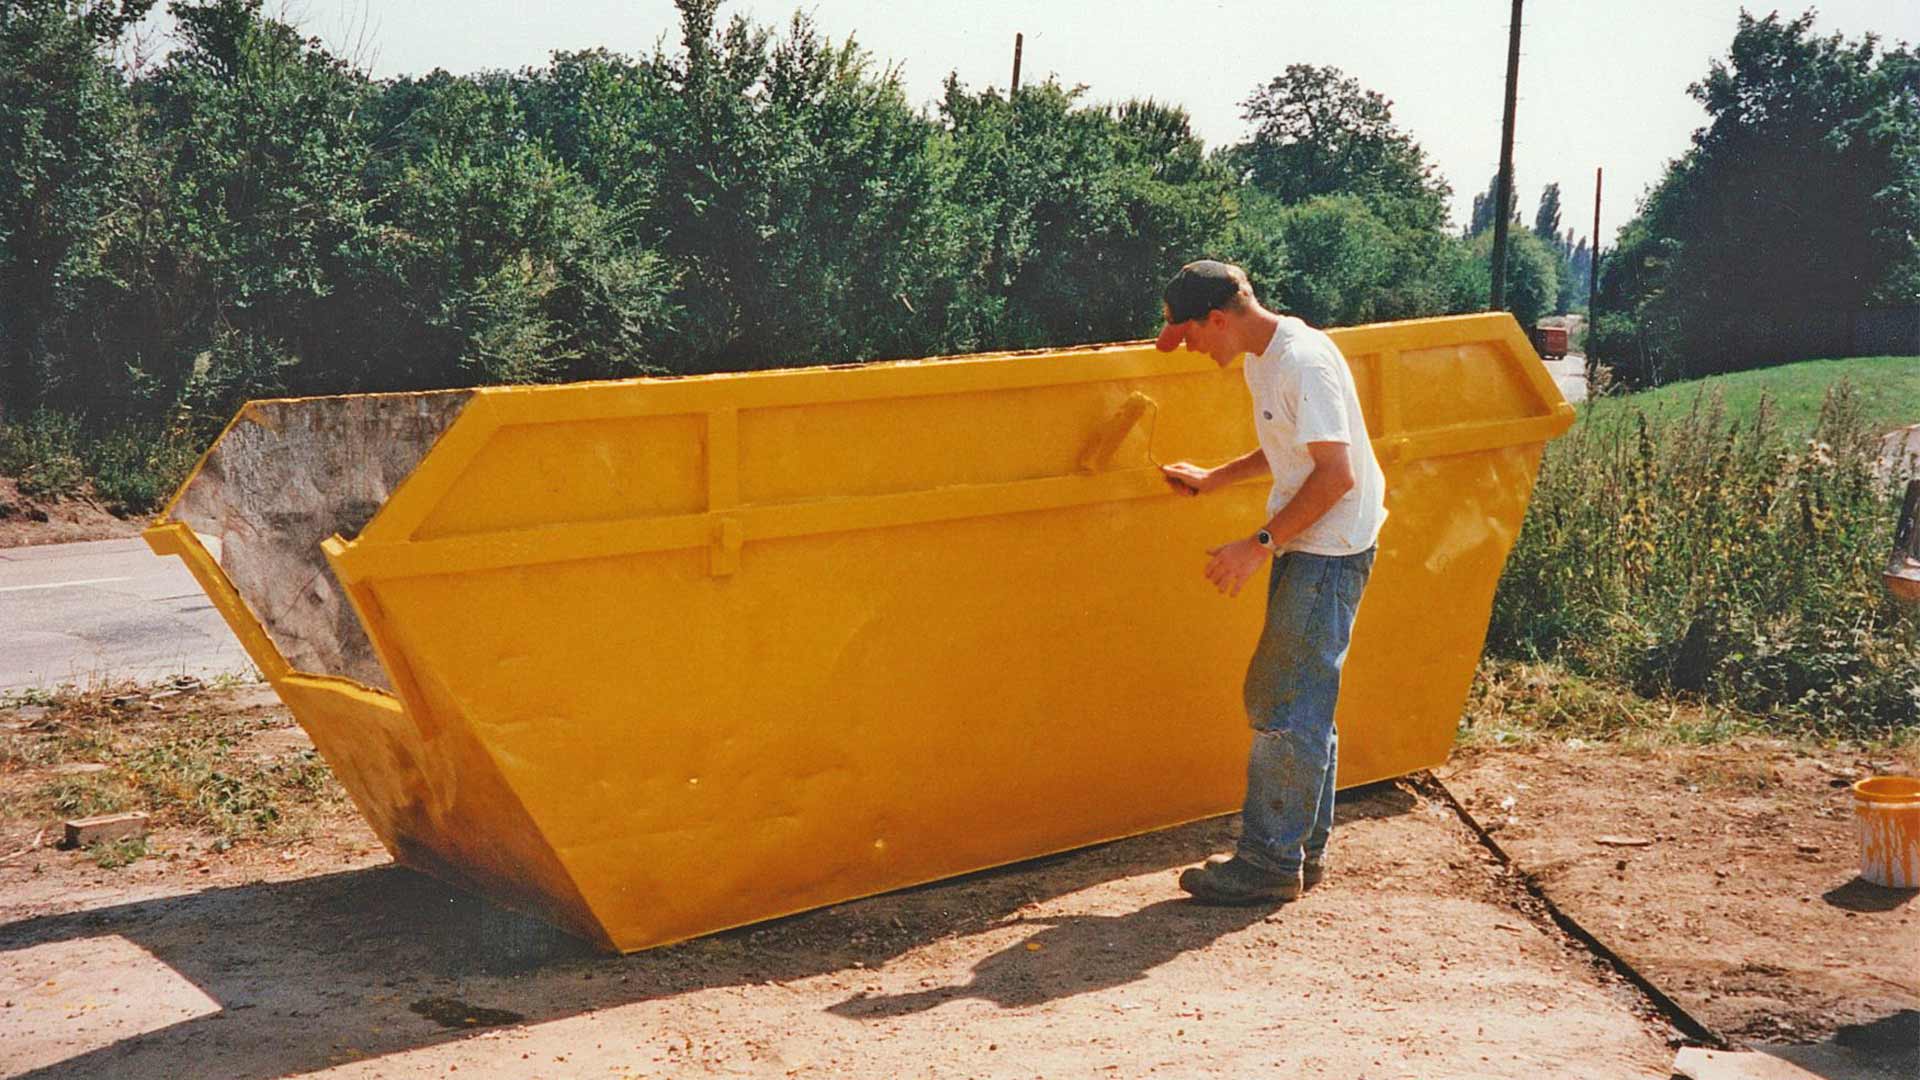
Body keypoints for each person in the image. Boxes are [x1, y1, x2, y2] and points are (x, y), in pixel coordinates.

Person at [1153, 260, 1387, 905]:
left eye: (1191, 336)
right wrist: (1216, 478)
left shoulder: (1301, 362)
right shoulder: (1266, 356)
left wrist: (1259, 545)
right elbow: (1294, 447)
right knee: (1303, 699)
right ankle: (1299, 854)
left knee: (1280, 702)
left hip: (1327, 549)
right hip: (1315, 544)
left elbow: (1334, 475)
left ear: (1219, 319)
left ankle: (1267, 863)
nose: (1192, 350)